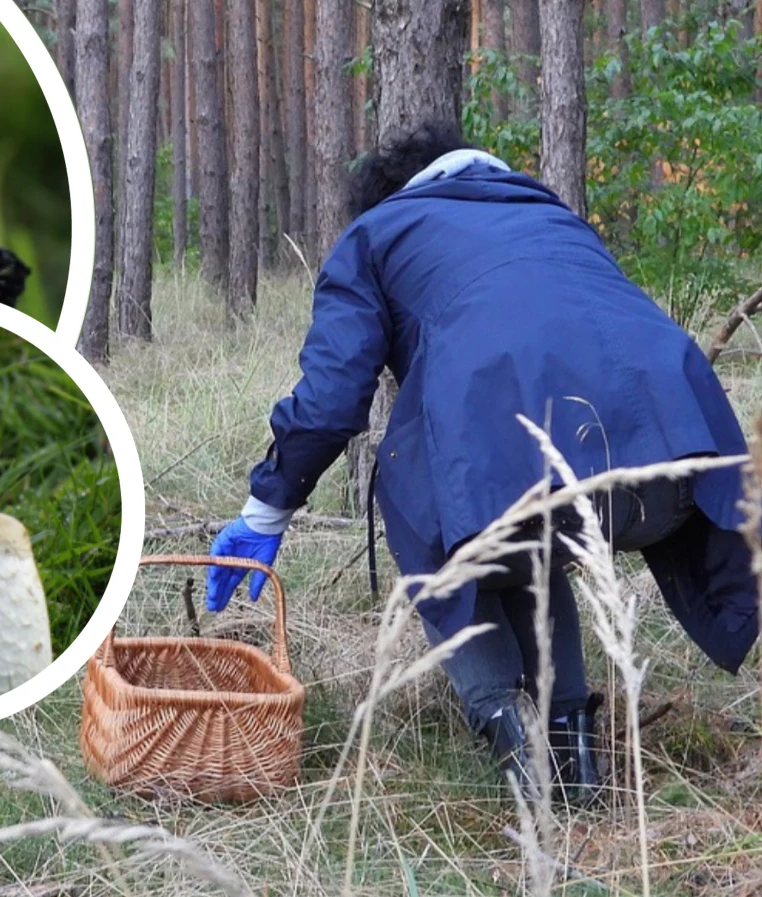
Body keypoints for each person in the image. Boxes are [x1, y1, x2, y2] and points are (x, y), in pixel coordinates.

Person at [205, 120, 759, 804]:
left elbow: (329, 397)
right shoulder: (552, 215)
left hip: (553, 465)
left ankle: (518, 751)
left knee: (427, 497)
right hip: (682, 461)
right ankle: (576, 769)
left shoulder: (375, 234)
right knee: (523, 530)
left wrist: (268, 507)